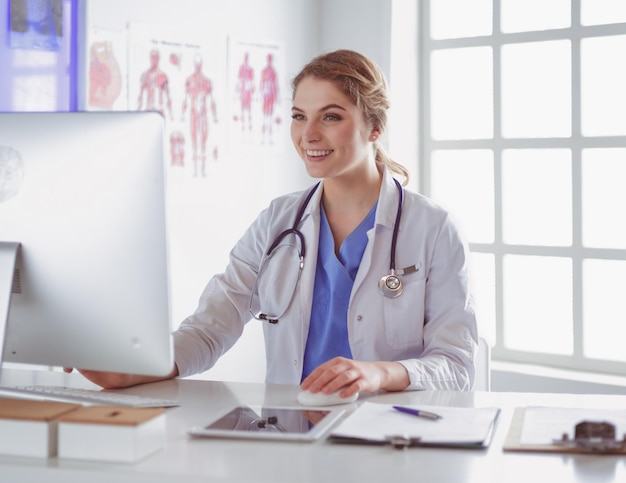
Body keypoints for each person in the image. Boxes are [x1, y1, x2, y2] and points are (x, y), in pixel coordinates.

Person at [68, 49, 478, 396]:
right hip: (294, 434)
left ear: (375, 127)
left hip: (395, 441)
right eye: (299, 116)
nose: (309, 134)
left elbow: (456, 365)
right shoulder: (278, 223)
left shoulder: (432, 228)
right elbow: (210, 328)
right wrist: (132, 367)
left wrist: (380, 373)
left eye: (330, 117)